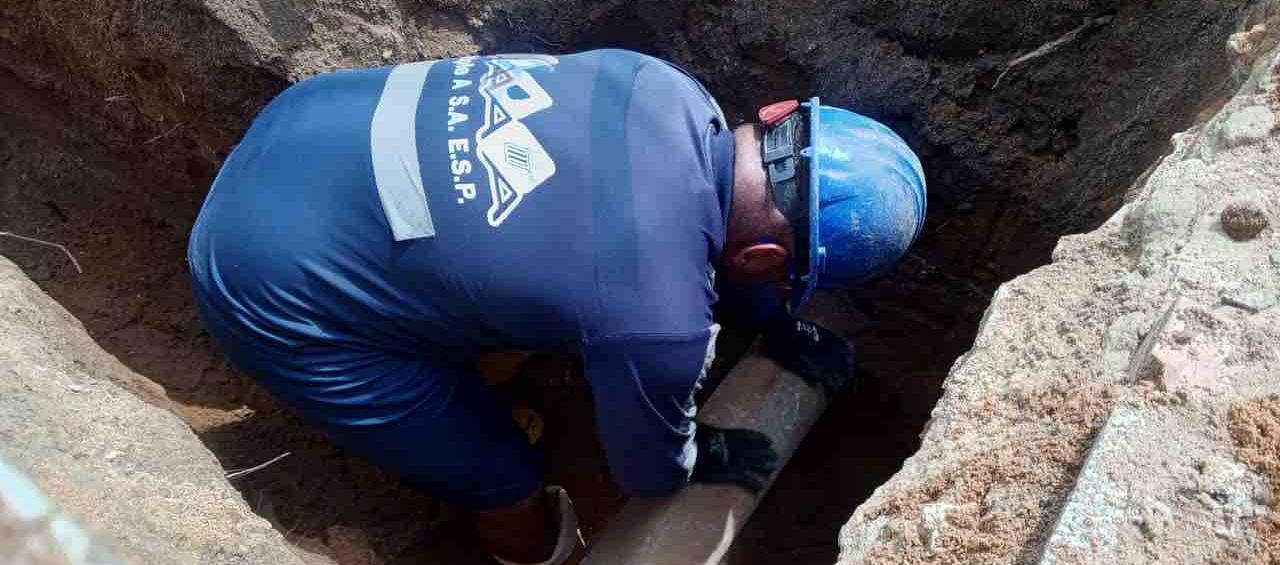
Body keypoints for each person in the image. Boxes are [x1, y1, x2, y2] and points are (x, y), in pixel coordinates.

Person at [187, 49, 926, 565]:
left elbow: (712, 223)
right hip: (268, 284)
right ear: (767, 263)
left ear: (776, 115)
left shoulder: (666, 88)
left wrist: (776, 328)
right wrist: (702, 453)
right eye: (785, 276)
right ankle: (541, 552)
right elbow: (647, 468)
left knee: (516, 280)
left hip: (307, 128)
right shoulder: (659, 321)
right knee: (499, 468)